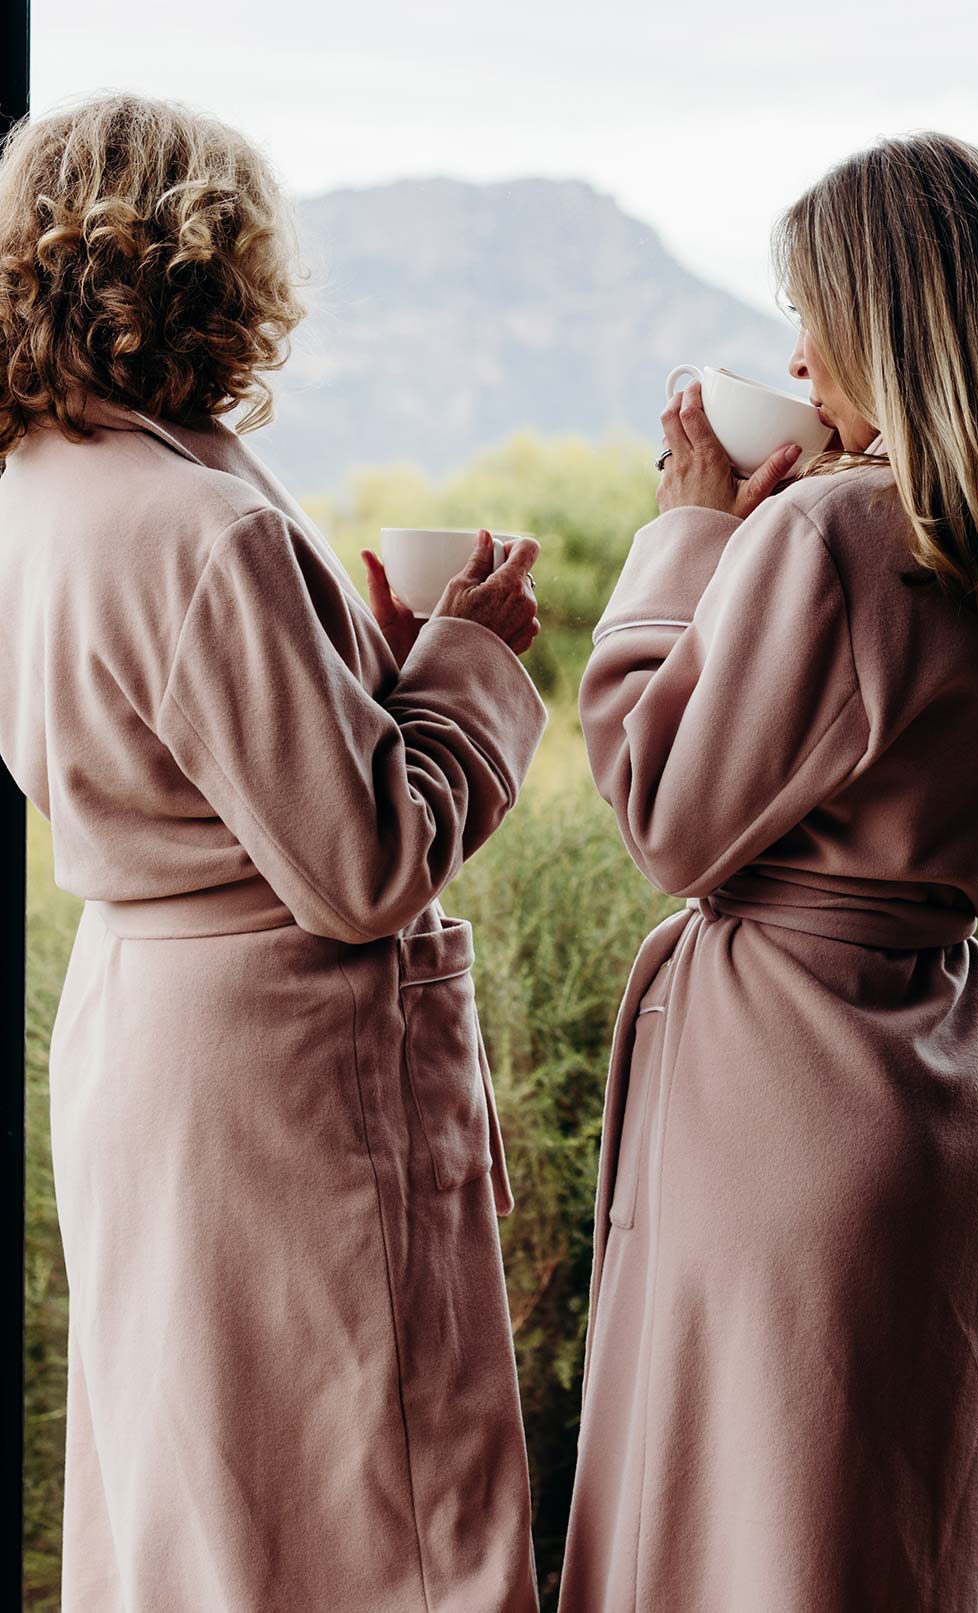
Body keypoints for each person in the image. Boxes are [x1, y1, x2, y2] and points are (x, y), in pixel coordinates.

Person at [0, 92, 547, 1612]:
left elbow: (178, 752)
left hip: (142, 1043)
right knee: (372, 1501)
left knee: (204, 1491)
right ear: (208, 261)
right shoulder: (200, 526)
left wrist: (336, 671)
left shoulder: (39, 494)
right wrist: (461, 663)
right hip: (283, 1074)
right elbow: (364, 865)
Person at [558, 129, 978, 1613]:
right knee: (874, 1528)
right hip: (933, 1087)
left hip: (779, 1089)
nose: (796, 355)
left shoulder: (830, 534)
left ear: (873, 317)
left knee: (742, 1534)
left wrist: (690, 534)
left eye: (808, 312)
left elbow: (664, 814)